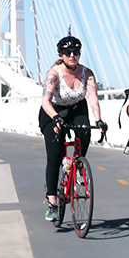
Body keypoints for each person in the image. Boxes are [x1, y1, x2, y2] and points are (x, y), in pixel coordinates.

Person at [40, 33, 107, 220]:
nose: (72, 55)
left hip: (77, 108)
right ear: (61, 55)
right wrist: (55, 118)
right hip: (54, 110)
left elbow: (93, 98)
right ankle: (52, 202)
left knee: (84, 131)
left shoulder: (87, 73)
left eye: (76, 52)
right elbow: (45, 101)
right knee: (54, 155)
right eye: (68, 52)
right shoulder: (54, 74)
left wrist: (99, 120)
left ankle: (77, 166)